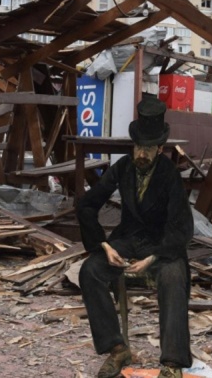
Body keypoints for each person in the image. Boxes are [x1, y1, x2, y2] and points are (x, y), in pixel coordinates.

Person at [78, 95, 194, 378]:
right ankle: (117, 349)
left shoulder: (169, 174)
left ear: (160, 149)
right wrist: (104, 245)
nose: (141, 154)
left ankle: (172, 363)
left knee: (173, 277)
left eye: (148, 149)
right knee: (90, 270)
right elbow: (86, 204)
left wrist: (153, 257)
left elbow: (182, 228)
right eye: (138, 147)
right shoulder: (123, 167)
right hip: (128, 240)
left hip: (162, 244)